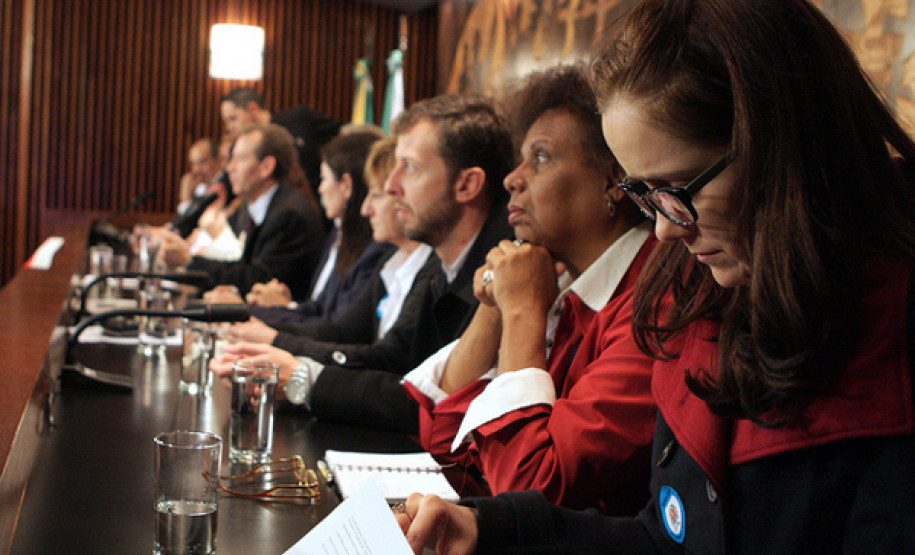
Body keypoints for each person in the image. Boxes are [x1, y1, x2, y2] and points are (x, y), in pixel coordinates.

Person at [395, 1, 915, 553]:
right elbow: (667, 537)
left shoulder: (885, 330)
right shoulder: (704, 294)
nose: (666, 231)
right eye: (647, 194)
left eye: (680, 188)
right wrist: (491, 528)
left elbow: (535, 475)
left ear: (784, 148)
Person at [401, 66, 657, 513]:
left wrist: (520, 310)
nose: (512, 179)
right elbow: (446, 442)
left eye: (541, 157)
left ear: (615, 179)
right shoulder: (560, 280)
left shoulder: (653, 300)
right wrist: (497, 305)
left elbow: (530, 488)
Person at [212, 94, 515, 434]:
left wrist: (301, 377)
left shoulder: (501, 270)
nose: (390, 185)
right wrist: (282, 352)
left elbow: (431, 402)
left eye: (410, 167)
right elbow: (390, 356)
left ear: (467, 184)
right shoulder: (441, 262)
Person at [240, 130, 394, 325]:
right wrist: (283, 306)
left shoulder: (374, 249)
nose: (319, 189)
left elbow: (337, 329)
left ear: (346, 185)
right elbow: (321, 308)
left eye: (323, 179)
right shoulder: (338, 234)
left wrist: (248, 312)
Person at [159, 124, 326, 298]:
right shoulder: (254, 207)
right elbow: (240, 268)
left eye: (238, 159)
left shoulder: (289, 214)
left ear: (266, 167)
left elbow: (258, 280)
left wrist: (190, 261)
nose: (229, 168)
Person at [220, 87, 341, 196]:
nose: (229, 127)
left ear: (253, 109)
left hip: (323, 198)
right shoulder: (238, 148)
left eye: (233, 118)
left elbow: (343, 134)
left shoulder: (299, 118)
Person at [176, 138, 221, 215]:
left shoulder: (224, 186)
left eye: (202, 162)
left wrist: (186, 199)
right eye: (193, 164)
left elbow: (192, 221)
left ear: (217, 160)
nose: (196, 169)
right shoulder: (201, 188)